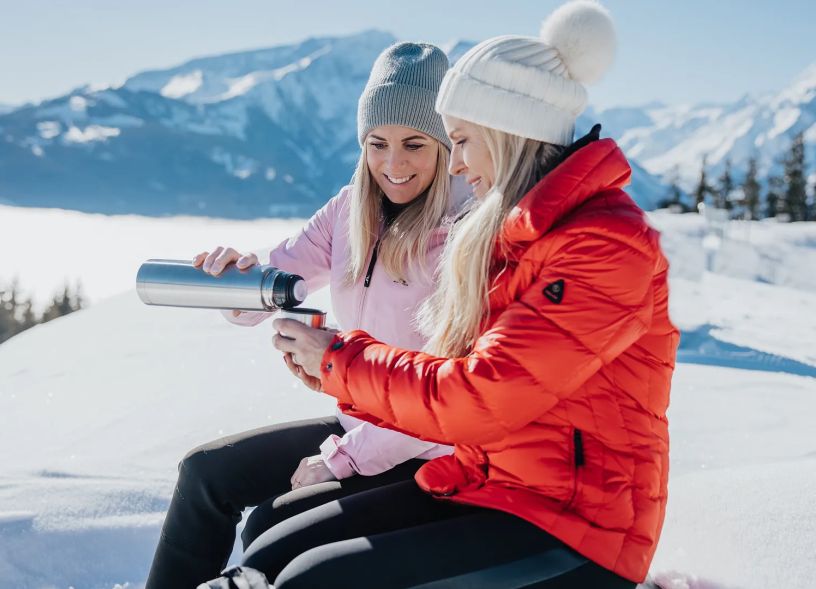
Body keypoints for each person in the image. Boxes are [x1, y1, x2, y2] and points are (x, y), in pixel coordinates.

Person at [257, 2, 680, 588]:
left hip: (578, 528)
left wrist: (340, 360)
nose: (453, 163)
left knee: (313, 580)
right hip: (489, 481)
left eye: (459, 141)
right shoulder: (517, 233)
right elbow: (460, 379)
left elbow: (482, 397)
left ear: (507, 134)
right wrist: (334, 372)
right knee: (275, 548)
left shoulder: (603, 247)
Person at [145, 42, 469, 589]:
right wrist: (238, 278)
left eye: (414, 143)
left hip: (427, 445)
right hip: (361, 418)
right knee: (205, 474)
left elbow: (444, 399)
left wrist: (339, 461)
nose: (393, 164)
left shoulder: (463, 234)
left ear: (443, 145)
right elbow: (278, 282)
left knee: (276, 522)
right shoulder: (350, 210)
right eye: (377, 143)